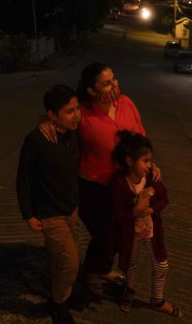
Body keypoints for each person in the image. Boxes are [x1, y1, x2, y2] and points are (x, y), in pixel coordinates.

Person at [40, 63, 160, 298]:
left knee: (120, 232)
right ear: (92, 91)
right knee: (104, 233)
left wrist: (149, 162)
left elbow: (140, 138)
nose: (114, 85)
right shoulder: (82, 114)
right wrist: (44, 122)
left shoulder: (126, 103)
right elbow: (59, 121)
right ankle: (93, 273)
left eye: (113, 79)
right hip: (94, 186)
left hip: (125, 185)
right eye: (106, 83)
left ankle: (101, 269)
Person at [16, 84, 83, 324]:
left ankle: (63, 293)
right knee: (70, 263)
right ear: (52, 115)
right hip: (50, 213)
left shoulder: (72, 132)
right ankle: (58, 303)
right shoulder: (36, 140)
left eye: (77, 109)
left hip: (71, 209)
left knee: (59, 260)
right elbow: (23, 178)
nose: (76, 116)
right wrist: (28, 214)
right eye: (69, 111)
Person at [111, 130, 182, 317]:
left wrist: (152, 209)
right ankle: (131, 291)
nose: (149, 165)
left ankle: (157, 300)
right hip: (131, 234)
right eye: (145, 161)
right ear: (129, 161)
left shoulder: (151, 177)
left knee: (161, 265)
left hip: (151, 231)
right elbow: (118, 216)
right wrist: (135, 210)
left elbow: (164, 198)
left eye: (150, 160)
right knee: (131, 264)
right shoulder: (119, 183)